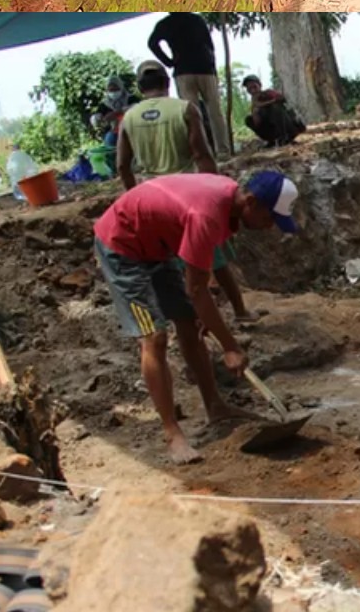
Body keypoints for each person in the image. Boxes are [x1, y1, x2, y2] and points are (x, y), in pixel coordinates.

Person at [93, 169, 301, 464]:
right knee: (155, 336)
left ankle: (216, 407)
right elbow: (196, 289)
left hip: (158, 247)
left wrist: (206, 310)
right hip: (122, 247)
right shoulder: (208, 213)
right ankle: (172, 433)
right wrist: (230, 347)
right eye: (270, 219)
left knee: (190, 322)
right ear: (251, 202)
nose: (270, 228)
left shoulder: (229, 201)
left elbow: (199, 280)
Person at [119, 61, 258, 325]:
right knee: (215, 258)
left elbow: (123, 166)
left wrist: (134, 197)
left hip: (152, 199)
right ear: (167, 82)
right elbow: (202, 155)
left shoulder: (129, 118)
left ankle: (191, 323)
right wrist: (217, 196)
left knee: (173, 267)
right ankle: (239, 312)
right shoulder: (184, 109)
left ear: (139, 87)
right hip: (188, 197)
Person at [147, 13, 231, 159]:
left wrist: (169, 62)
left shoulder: (166, 23)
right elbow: (209, 45)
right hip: (205, 68)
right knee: (215, 112)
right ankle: (222, 151)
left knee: (192, 116)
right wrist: (212, 66)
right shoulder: (197, 19)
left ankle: (202, 152)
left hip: (183, 71)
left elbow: (152, 43)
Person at [241, 75, 306, 148]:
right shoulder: (254, 103)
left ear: (260, 85)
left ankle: (284, 138)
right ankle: (272, 140)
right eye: (249, 89)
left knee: (275, 108)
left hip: (289, 127)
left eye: (254, 87)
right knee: (249, 119)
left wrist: (265, 103)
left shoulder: (269, 93)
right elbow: (257, 124)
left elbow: (281, 100)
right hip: (273, 129)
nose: (253, 91)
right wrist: (255, 110)